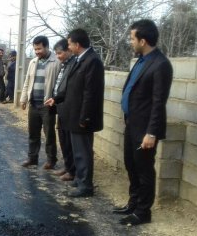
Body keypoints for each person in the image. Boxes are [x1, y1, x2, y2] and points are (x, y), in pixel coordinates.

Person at [114, 19, 173, 225]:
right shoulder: (140, 61)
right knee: (131, 166)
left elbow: (159, 102)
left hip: (145, 129)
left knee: (144, 170)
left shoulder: (161, 64)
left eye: (132, 38)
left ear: (143, 40)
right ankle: (133, 203)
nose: (131, 42)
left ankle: (143, 212)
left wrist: (152, 133)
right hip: (132, 124)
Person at [59, 28, 104, 197]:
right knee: (77, 151)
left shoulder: (92, 61)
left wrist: (85, 117)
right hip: (74, 115)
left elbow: (90, 93)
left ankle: (86, 186)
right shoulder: (80, 59)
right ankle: (79, 178)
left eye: (69, 44)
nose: (68, 47)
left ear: (77, 44)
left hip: (82, 117)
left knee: (83, 152)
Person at [20, 36, 61, 170]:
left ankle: (51, 160)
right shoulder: (33, 62)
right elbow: (27, 81)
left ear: (47, 46)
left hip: (47, 105)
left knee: (49, 134)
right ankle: (32, 158)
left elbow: (60, 84)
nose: (37, 51)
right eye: (35, 49)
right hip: (33, 103)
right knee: (33, 133)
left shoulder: (56, 61)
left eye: (39, 48)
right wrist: (23, 99)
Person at [44, 39, 76, 181]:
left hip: (68, 108)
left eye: (60, 53)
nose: (58, 56)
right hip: (59, 106)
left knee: (69, 142)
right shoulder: (64, 65)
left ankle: (72, 170)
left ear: (69, 51)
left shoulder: (73, 65)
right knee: (63, 140)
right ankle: (67, 166)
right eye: (56, 53)